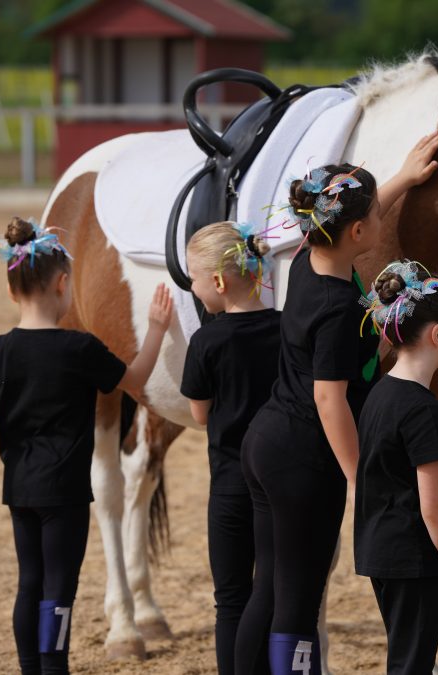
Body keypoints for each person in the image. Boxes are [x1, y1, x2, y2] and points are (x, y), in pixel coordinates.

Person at [234, 131, 438, 675]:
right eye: (375, 217)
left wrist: (401, 176)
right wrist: (359, 480)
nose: (380, 222)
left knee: (270, 585)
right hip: (305, 458)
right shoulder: (334, 308)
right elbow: (329, 400)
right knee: (299, 601)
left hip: (266, 442)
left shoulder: (308, 260)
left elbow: (343, 215)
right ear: (357, 232)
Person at [0, 216, 174, 675]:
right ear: (64, 285)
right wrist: (154, 328)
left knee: (28, 584)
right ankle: (55, 668)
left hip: (20, 489)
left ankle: (32, 668)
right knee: (58, 590)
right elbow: (135, 382)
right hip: (66, 493)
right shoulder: (80, 348)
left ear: (11, 291)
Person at [354, 261, 438, 675]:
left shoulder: (379, 394)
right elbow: (433, 506)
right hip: (413, 557)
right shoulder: (423, 410)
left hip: (379, 552)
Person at [180, 221, 281, 675]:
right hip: (280, 483)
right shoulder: (285, 330)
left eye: (194, 279)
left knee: (232, 598)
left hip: (230, 484)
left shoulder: (206, 341)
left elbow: (200, 415)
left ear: (218, 282)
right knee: (276, 591)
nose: (194, 289)